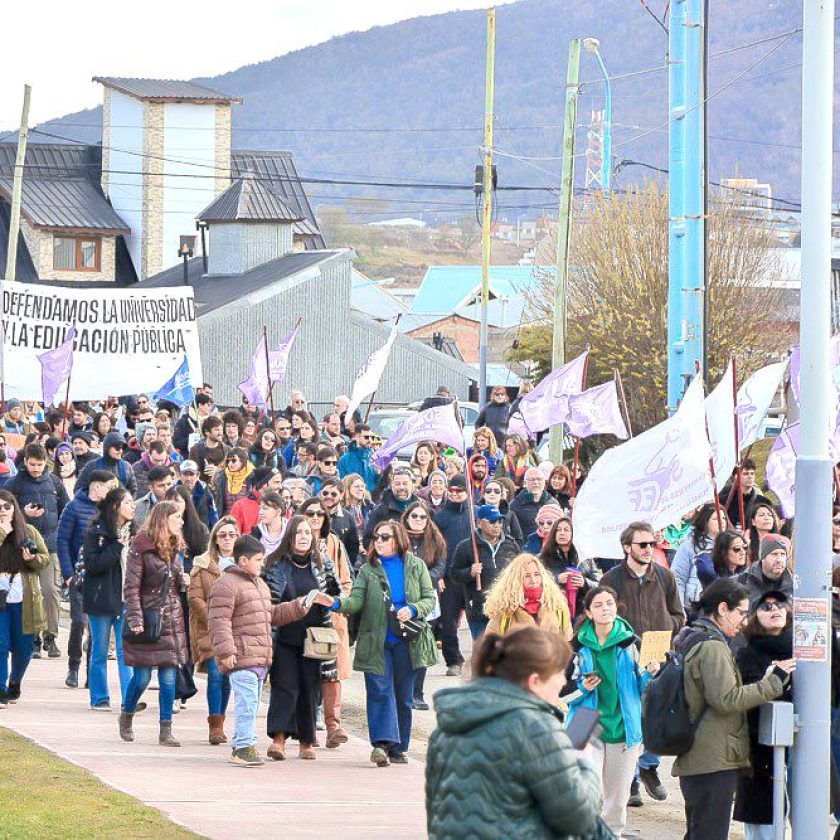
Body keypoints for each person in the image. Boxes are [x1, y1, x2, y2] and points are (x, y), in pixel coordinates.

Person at [426, 626, 602, 837]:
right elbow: (577, 818)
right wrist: (583, 762)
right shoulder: (535, 727)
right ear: (534, 681)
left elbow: (438, 813)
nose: (564, 682)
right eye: (559, 674)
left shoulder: (447, 727)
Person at [672, 578, 793, 840]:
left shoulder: (697, 638)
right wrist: (773, 682)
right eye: (741, 612)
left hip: (702, 756)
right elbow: (726, 699)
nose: (743, 620)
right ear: (723, 609)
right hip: (711, 759)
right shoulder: (713, 647)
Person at [208, 533, 330, 766]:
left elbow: (271, 615)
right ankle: (244, 746)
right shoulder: (225, 585)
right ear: (243, 561)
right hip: (241, 655)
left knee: (251, 702)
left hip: (259, 657)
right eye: (258, 560)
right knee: (246, 701)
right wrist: (226, 651)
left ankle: (240, 743)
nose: (262, 564)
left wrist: (300, 606)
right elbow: (218, 621)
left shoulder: (259, 585)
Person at [331, 520, 437, 766]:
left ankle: (399, 747)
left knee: (403, 696)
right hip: (376, 640)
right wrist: (336, 603)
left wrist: (412, 609)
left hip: (407, 640)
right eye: (376, 537)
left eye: (385, 537)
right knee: (379, 691)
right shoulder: (369, 569)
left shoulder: (416, 565)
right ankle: (381, 744)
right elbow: (356, 600)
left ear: (398, 540)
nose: (379, 541)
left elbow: (429, 599)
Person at [601, 521, 685, 805]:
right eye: (643, 545)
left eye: (652, 544)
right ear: (627, 547)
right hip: (624, 655)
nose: (649, 549)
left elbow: (678, 614)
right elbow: (603, 615)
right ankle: (631, 779)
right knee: (629, 714)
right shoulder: (611, 579)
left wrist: (666, 629)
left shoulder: (665, 576)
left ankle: (648, 766)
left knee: (657, 713)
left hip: (658, 653)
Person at [568, 586, 659, 836]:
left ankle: (611, 834)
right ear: (587, 612)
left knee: (617, 797)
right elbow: (562, 691)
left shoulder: (631, 642)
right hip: (583, 722)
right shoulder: (575, 646)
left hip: (624, 724)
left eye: (609, 603)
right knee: (582, 790)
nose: (605, 609)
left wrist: (650, 672)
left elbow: (641, 688)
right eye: (598, 605)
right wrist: (583, 688)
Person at [261, 515, 341, 761]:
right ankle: (279, 738)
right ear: (290, 536)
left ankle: (307, 741)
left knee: (310, 688)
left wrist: (329, 601)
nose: (305, 537)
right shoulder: (274, 563)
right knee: (285, 685)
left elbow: (337, 594)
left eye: (308, 532)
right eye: (299, 533)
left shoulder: (323, 562)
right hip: (284, 633)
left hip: (315, 636)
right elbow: (267, 599)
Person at [119, 501, 189, 747]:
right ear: (164, 519)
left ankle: (165, 729)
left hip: (171, 617)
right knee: (141, 678)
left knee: (169, 677)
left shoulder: (174, 545)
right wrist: (135, 618)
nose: (181, 521)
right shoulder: (141, 545)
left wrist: (182, 578)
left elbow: (172, 579)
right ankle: (127, 714)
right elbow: (131, 586)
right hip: (148, 618)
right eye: (177, 517)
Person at [732, 590, 798, 839]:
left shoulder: (803, 649)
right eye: (766, 606)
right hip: (760, 753)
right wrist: (769, 680)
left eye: (780, 604)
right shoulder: (746, 654)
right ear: (754, 616)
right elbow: (740, 700)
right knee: (763, 825)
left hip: (799, 749)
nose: (775, 610)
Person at [298, 497, 354, 748]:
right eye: (310, 513)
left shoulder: (333, 545)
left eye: (320, 514)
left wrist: (339, 607)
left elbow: (343, 584)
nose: (315, 518)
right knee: (306, 678)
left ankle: (334, 726)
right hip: (298, 621)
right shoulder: (290, 547)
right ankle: (306, 730)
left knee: (331, 675)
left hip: (327, 621)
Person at [6, 442, 70, 660]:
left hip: (50, 545)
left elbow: (66, 511)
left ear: (46, 463)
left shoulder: (54, 482)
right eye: (32, 464)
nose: (35, 468)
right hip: (20, 545)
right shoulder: (14, 483)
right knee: (28, 592)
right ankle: (33, 636)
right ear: (25, 462)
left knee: (50, 591)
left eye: (40, 465)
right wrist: (22, 514)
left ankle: (50, 635)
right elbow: (4, 513)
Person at [56, 469, 116, 689]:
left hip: (100, 577)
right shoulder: (73, 507)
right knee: (78, 622)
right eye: (108, 487)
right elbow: (62, 541)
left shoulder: (109, 511)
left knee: (95, 628)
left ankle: (92, 674)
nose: (111, 491)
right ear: (96, 486)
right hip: (78, 576)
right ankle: (74, 664)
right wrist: (68, 574)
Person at [83, 487, 136, 711]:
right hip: (101, 598)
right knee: (100, 651)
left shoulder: (135, 532)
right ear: (116, 506)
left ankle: (129, 700)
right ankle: (99, 698)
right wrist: (118, 545)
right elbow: (94, 565)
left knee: (127, 654)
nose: (132, 507)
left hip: (126, 598)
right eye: (128, 503)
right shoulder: (97, 532)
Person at [189, 517, 239, 745]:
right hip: (210, 630)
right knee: (216, 676)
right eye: (223, 535)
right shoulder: (204, 564)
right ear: (215, 539)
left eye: (231, 534)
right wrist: (214, 617)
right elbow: (195, 597)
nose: (227, 539)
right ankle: (215, 725)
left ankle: (222, 718)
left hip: (236, 629)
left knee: (228, 677)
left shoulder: (245, 563)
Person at [0, 490, 50, 705]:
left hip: (24, 595)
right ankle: (1, 689)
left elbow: (45, 559)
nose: (2, 511)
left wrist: (32, 558)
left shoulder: (28, 531)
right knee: (0, 645)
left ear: (14, 509)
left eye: (6, 507)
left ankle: (15, 681)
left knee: (24, 648)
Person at [450, 505, 520, 639]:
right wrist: (469, 572)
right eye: (492, 522)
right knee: (483, 652)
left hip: (506, 609)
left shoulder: (511, 545)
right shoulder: (466, 547)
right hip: (479, 610)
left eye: (499, 521)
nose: (497, 525)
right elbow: (454, 574)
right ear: (479, 523)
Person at [402, 500, 446, 710]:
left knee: (421, 646)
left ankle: (417, 692)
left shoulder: (436, 540)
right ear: (407, 517)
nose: (418, 520)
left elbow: (440, 566)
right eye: (414, 516)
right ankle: (403, 690)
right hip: (402, 597)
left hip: (426, 598)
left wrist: (424, 580)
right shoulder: (398, 538)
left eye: (422, 517)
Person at [435, 474, 475, 675]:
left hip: (472, 575)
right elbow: (435, 548)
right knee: (448, 620)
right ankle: (453, 660)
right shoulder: (440, 517)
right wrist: (438, 574)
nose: (455, 494)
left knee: (477, 617)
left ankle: (481, 659)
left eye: (460, 491)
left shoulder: (474, 515)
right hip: (449, 575)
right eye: (452, 491)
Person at [484, 552, 571, 640]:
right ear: (516, 580)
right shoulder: (504, 610)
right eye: (527, 576)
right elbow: (489, 648)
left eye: (537, 574)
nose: (533, 580)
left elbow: (566, 642)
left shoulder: (557, 606)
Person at [671, 503, 730, 612]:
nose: (722, 521)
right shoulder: (689, 545)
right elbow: (678, 578)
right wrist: (679, 609)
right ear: (705, 521)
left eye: (723, 518)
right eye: (716, 519)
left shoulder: (732, 546)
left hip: (724, 607)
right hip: (695, 606)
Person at [539, 515, 599, 620]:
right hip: (554, 611)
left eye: (566, 530)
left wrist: (584, 583)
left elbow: (598, 584)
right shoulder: (544, 558)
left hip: (582, 613)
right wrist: (556, 579)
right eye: (558, 530)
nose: (562, 533)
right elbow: (537, 583)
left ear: (573, 534)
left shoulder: (584, 558)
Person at [363, 467, 418, 548]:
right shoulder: (380, 511)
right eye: (397, 484)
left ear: (412, 485)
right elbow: (368, 539)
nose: (401, 487)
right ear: (392, 486)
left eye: (405, 483)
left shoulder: (421, 509)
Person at [75, 431, 138, 497]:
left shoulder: (127, 467)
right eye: (117, 448)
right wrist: (93, 500)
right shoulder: (92, 466)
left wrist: (125, 503)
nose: (120, 451)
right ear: (107, 448)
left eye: (122, 448)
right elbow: (78, 490)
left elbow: (133, 491)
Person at [738, 534, 794, 602]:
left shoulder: (795, 585)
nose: (779, 560)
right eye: (774, 554)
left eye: (782, 554)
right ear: (763, 558)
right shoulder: (742, 581)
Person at [320, 478, 361, 572]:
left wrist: (345, 567)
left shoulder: (348, 517)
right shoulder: (311, 513)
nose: (328, 496)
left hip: (339, 568)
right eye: (325, 493)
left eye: (333, 494)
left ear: (341, 495)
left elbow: (353, 547)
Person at [720, 459, 774, 530]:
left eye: (752, 473)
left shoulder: (764, 502)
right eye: (746, 474)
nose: (750, 476)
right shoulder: (724, 500)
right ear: (736, 477)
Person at [230, 468, 282, 536]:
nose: (280, 487)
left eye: (281, 482)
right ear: (264, 484)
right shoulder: (240, 506)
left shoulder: (281, 505)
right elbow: (233, 536)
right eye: (276, 482)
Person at [509, 467, 552, 539]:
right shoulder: (515, 504)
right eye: (532, 479)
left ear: (544, 482)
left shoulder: (552, 503)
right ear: (525, 483)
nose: (536, 482)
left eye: (539, 479)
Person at [177, 459, 218, 531]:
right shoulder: (173, 493)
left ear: (197, 475)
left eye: (191, 474)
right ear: (179, 475)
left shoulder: (206, 492)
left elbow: (213, 516)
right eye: (185, 475)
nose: (188, 478)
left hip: (203, 536)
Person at [189, 416, 227, 488]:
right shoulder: (196, 450)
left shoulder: (226, 450)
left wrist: (217, 470)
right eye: (216, 430)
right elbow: (192, 472)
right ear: (207, 432)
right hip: (202, 489)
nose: (220, 433)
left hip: (221, 489)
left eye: (221, 430)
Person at [338, 424, 378, 493]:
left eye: (372, 437)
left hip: (373, 499)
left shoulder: (375, 457)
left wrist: (380, 474)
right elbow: (343, 484)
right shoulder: (344, 460)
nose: (370, 440)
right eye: (366, 437)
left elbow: (378, 482)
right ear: (356, 437)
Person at [214, 448, 253, 517]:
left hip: (246, 518)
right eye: (228, 461)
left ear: (242, 461)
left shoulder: (252, 477)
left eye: (234, 461)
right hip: (226, 519)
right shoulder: (222, 477)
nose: (230, 464)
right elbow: (218, 502)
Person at [174, 393, 213, 457]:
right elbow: (177, 443)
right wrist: (192, 437)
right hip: (188, 457)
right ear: (200, 405)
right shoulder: (184, 421)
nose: (210, 408)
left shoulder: (211, 421)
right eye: (208, 405)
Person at [343, 473, 374, 540]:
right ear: (347, 488)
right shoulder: (341, 509)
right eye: (357, 486)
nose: (360, 489)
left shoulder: (369, 506)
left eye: (362, 486)